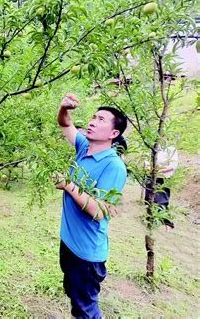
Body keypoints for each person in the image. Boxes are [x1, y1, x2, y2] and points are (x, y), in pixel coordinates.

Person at [56, 93, 128, 318]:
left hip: (86, 254)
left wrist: (68, 184)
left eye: (101, 120)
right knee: (74, 295)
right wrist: (64, 108)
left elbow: (99, 211)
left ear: (114, 134)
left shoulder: (114, 166)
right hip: (69, 242)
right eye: (93, 117)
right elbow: (65, 123)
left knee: (85, 310)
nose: (92, 121)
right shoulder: (84, 146)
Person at [144, 142, 178, 229]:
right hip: (151, 176)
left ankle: (166, 223)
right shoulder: (152, 147)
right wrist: (151, 170)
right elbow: (146, 163)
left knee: (162, 201)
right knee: (149, 199)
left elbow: (173, 165)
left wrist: (158, 171)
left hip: (163, 178)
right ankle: (150, 219)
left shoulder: (171, 149)